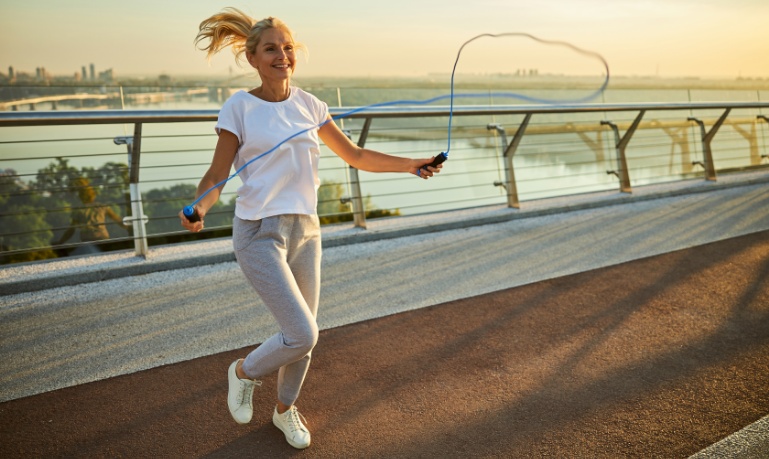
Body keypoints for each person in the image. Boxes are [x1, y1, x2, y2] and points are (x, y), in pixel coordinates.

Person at [180, 8, 442, 450]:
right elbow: (216, 176)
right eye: (271, 49)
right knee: (302, 332)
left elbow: (355, 155)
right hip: (258, 233)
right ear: (252, 58)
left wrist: (411, 166)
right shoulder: (239, 107)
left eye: (287, 48)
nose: (282, 55)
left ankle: (284, 411)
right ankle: (243, 372)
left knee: (305, 337)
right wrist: (200, 207)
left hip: (306, 231)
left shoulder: (310, 104)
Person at [56, 177, 128, 255]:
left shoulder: (79, 211)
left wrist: (60, 243)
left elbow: (71, 230)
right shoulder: (103, 207)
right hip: (103, 241)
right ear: (92, 194)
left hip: (88, 243)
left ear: (80, 196)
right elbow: (120, 222)